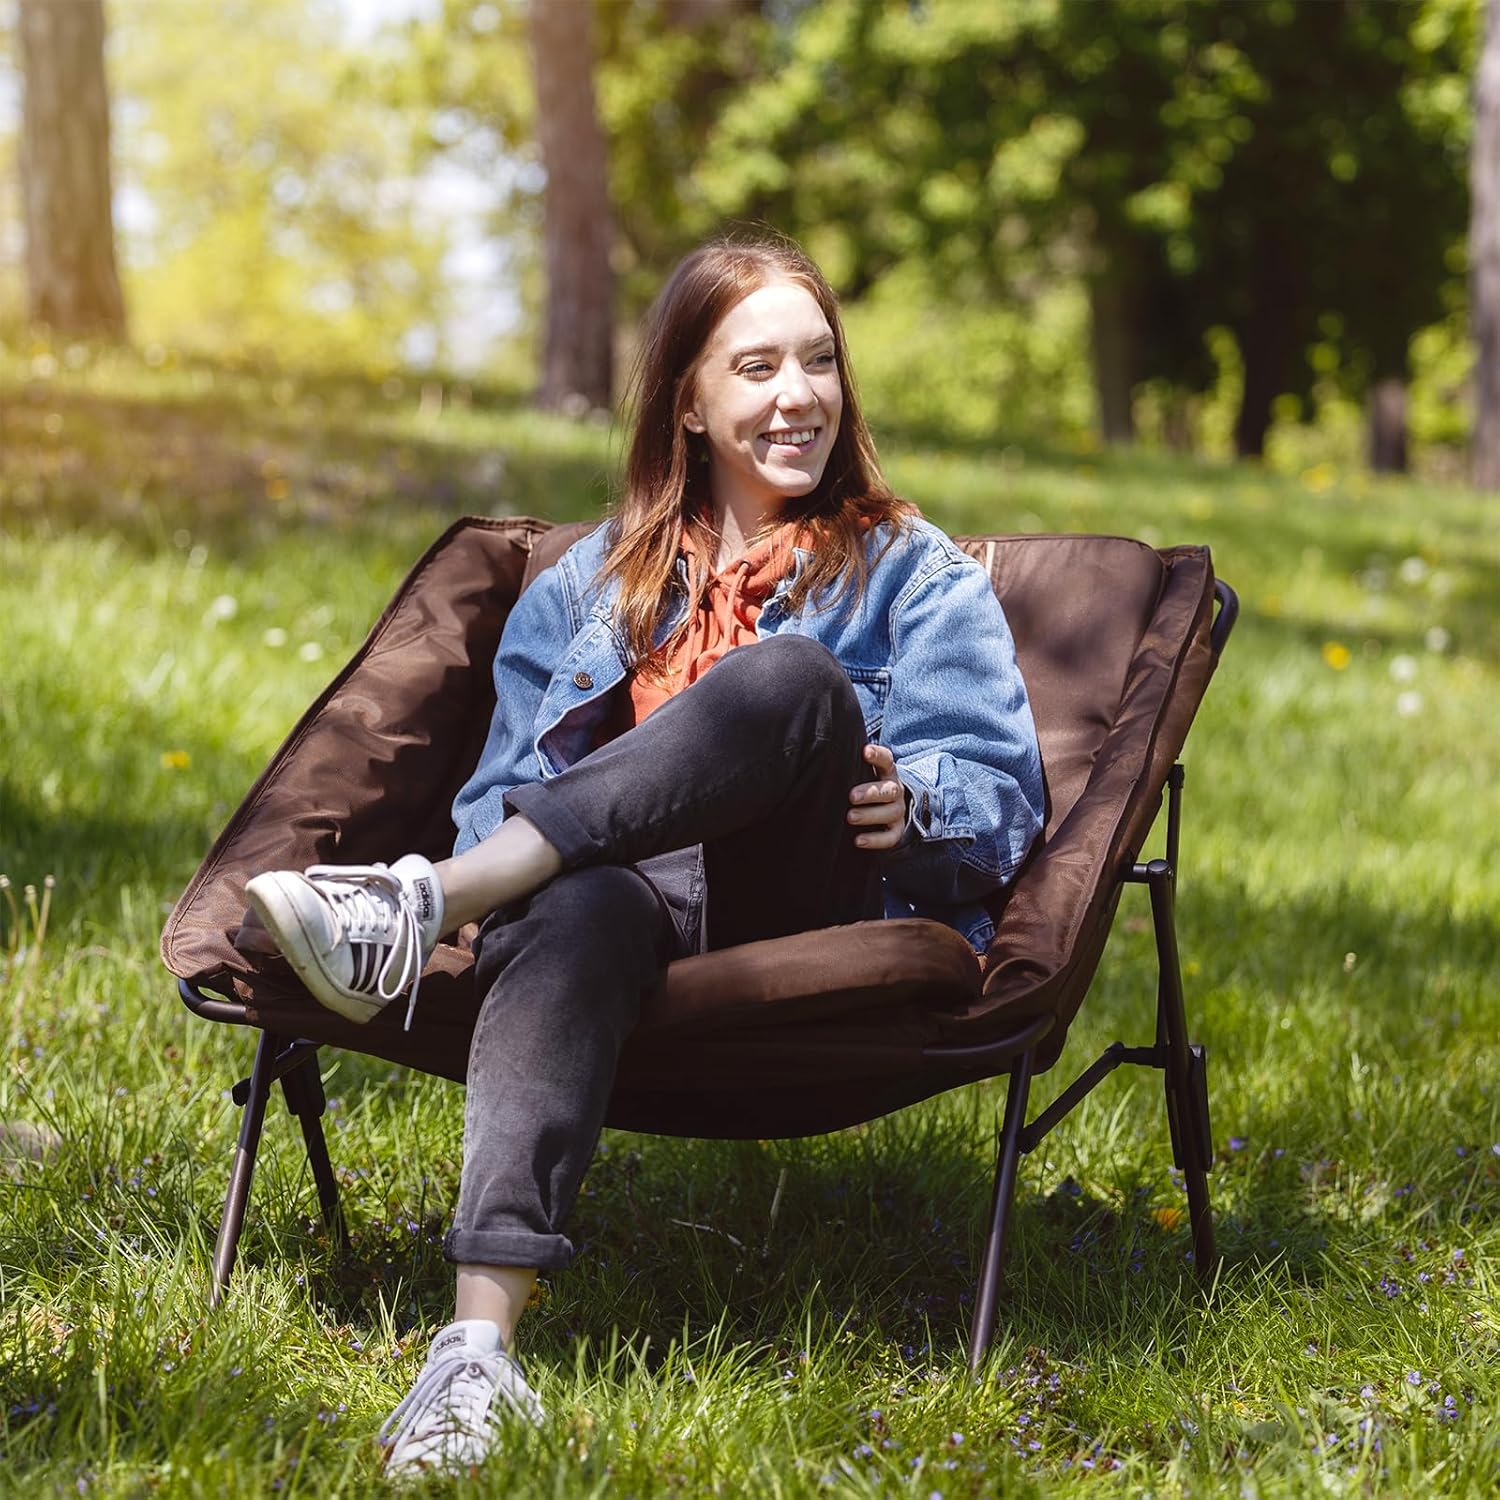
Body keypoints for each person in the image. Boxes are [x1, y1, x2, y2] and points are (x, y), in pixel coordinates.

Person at [245, 232, 1045, 1477]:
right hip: (620, 911)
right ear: (689, 401)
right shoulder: (587, 583)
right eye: (758, 367)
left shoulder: (915, 575)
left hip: (794, 899)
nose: (800, 396)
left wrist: (920, 808)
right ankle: (475, 1360)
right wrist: (535, 867)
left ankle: (421, 909)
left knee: (789, 678)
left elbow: (1001, 798)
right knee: (569, 910)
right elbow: (500, 789)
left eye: (820, 361)